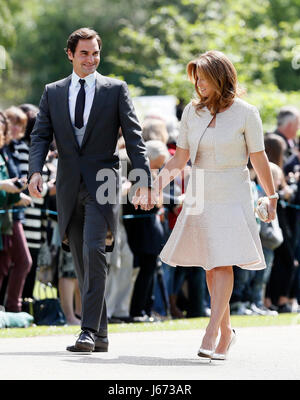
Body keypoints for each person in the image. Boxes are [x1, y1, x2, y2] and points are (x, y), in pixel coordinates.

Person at [146, 50, 278, 360]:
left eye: (204, 78)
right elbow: (180, 158)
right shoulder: (192, 112)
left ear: (221, 78)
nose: (199, 84)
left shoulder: (247, 112)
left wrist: (271, 196)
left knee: (223, 262)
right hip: (201, 192)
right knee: (210, 265)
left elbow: (259, 158)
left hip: (234, 191)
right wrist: (155, 186)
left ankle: (211, 330)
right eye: (197, 79)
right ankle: (227, 332)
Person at [28, 27, 152, 352]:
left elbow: (135, 139)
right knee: (83, 260)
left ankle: (86, 331)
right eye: (84, 53)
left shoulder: (116, 90)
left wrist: (143, 180)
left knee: (95, 249)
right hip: (68, 184)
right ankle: (101, 335)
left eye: (95, 53)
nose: (91, 59)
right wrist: (35, 171)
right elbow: (40, 135)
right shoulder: (53, 92)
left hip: (105, 182)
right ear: (70, 54)